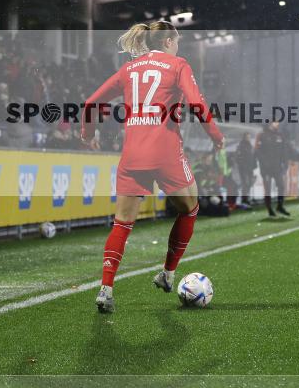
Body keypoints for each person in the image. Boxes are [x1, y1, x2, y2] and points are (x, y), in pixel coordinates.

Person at [81, 21, 224, 313]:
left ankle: (106, 289)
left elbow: (91, 103)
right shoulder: (177, 64)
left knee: (122, 223)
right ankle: (168, 273)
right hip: (165, 152)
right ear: (169, 42)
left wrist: (88, 134)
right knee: (190, 208)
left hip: (133, 155)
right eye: (177, 41)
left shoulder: (129, 69)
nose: (178, 46)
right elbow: (197, 103)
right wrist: (216, 136)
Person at [255, 120, 291, 217]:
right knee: (268, 189)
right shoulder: (262, 135)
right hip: (266, 168)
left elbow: (284, 151)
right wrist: (264, 163)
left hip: (277, 167)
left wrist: (285, 163)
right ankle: (269, 209)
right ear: (270, 124)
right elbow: (257, 151)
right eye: (275, 122)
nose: (277, 124)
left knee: (281, 186)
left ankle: (280, 206)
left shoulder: (280, 135)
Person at [235, 132, 256, 206]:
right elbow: (237, 157)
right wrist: (242, 165)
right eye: (247, 137)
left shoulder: (251, 146)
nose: (248, 138)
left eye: (249, 137)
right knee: (245, 184)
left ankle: (247, 198)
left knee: (250, 183)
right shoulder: (241, 146)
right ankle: (244, 199)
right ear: (244, 137)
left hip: (250, 168)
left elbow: (253, 156)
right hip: (243, 168)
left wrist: (254, 165)